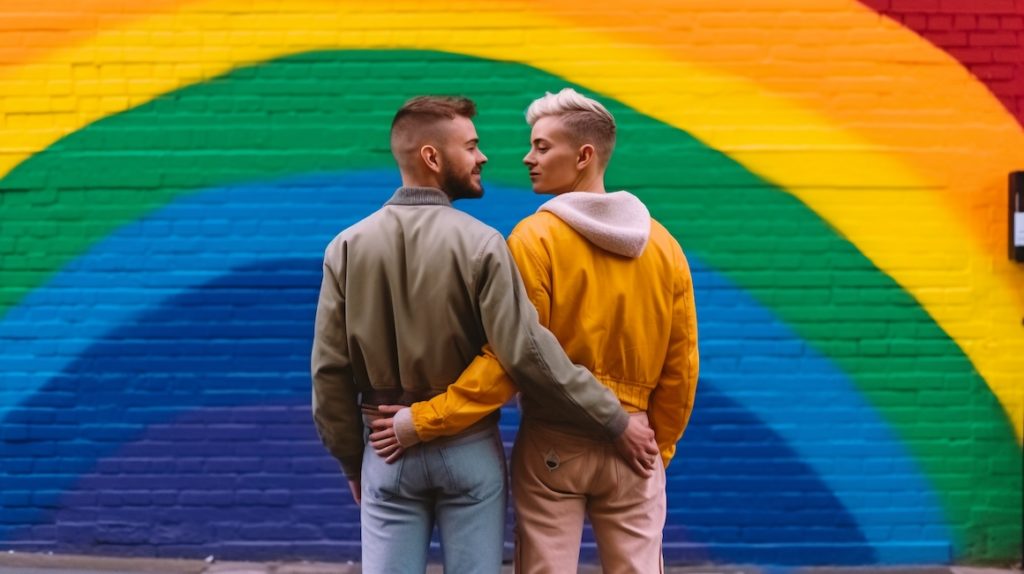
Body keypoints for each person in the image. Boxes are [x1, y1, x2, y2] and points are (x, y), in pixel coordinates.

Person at [310, 95, 657, 574]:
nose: (484, 157)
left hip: (385, 443)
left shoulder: (346, 248)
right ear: (433, 158)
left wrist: (353, 459)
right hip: (468, 448)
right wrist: (615, 419)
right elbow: (526, 353)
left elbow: (329, 373)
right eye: (471, 146)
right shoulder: (483, 243)